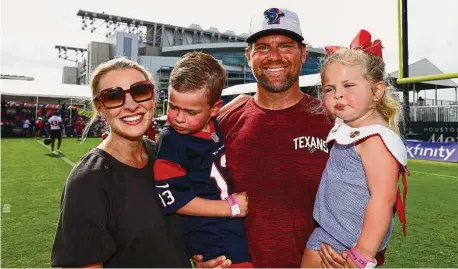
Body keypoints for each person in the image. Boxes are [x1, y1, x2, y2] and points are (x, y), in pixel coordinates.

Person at [51, 57, 231, 268]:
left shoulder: (164, 155)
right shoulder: (88, 181)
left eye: (140, 91)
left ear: (153, 97)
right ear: (100, 107)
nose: (131, 105)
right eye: (113, 96)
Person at [215, 7, 339, 268]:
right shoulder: (224, 123)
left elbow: (373, 197)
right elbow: (193, 190)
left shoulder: (334, 122)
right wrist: (203, 253)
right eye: (262, 47)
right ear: (248, 55)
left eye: (285, 46)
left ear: (303, 53)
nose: (274, 57)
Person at [300, 29, 408, 268]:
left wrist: (361, 256)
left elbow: (382, 201)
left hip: (339, 239)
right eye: (329, 88)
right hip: (336, 232)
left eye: (349, 85)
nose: (338, 94)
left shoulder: (374, 139)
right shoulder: (352, 123)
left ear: (377, 91)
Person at [153, 52, 252, 268]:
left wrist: (245, 100)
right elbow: (171, 199)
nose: (179, 117)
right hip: (209, 231)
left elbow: (237, 103)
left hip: (227, 227)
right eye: (173, 106)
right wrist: (229, 208)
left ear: (213, 109)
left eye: (190, 111)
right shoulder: (172, 139)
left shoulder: (211, 122)